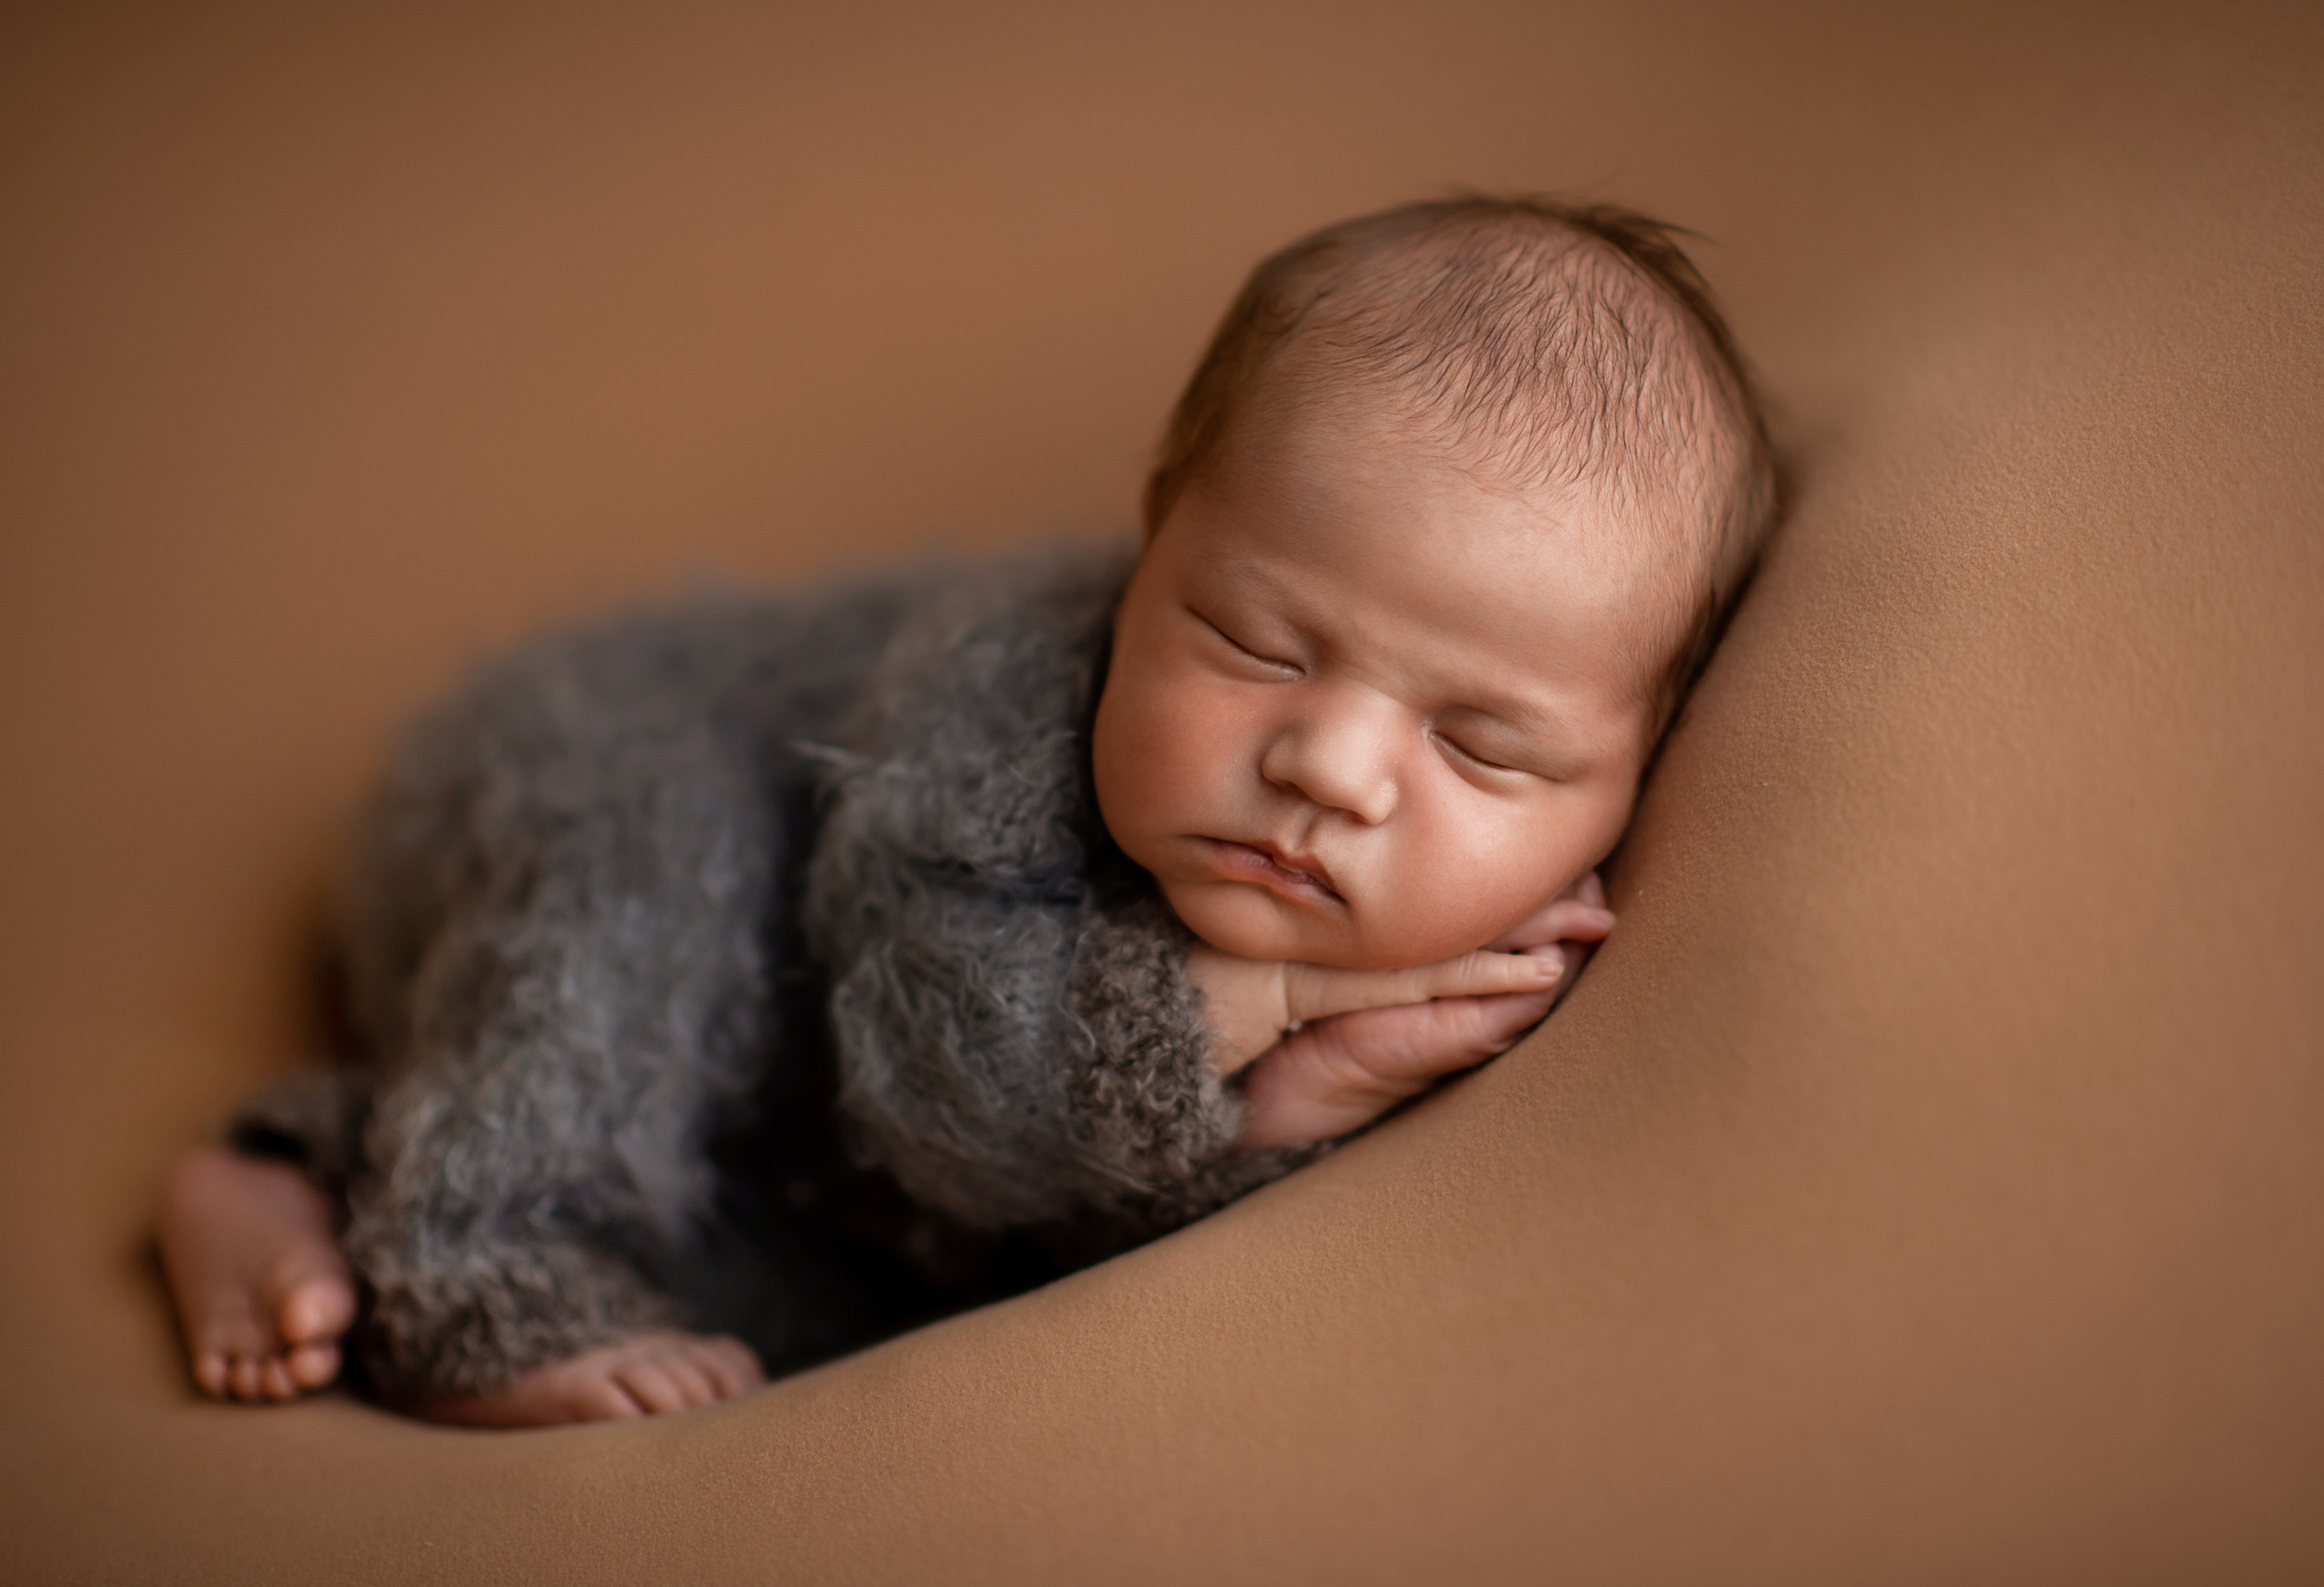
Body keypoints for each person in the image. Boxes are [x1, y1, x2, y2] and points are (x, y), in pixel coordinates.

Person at [154, 194, 1779, 1426]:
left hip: (821, 1144)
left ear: (1633, 774)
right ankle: (473, 1270)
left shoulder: (1497, 968)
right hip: (613, 778)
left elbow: (1035, 1216)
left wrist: (1289, 1108)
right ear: (1157, 536)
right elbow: (938, 1079)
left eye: (1483, 748)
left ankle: (304, 1171)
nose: (1331, 769)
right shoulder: (1006, 689)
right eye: (1256, 642)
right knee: (635, 910)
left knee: (827, 1301)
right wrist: (1270, 1005)